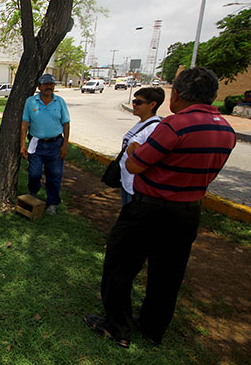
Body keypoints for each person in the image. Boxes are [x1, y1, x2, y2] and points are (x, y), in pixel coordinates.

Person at [84, 67, 237, 348]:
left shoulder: (174, 125)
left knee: (119, 267)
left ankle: (117, 328)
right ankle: (153, 330)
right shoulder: (226, 129)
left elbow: (135, 164)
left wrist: (132, 150)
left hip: (149, 209)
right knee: (168, 275)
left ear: (176, 94)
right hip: (188, 211)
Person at [20, 73, 70, 215]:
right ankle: (33, 194)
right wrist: (22, 145)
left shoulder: (59, 102)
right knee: (34, 172)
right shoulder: (31, 101)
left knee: (54, 174)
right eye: (46, 84)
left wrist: (65, 145)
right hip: (36, 144)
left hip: (55, 144)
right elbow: (24, 124)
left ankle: (53, 203)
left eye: (51, 84)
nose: (49, 87)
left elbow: (66, 124)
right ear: (39, 86)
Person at [118, 87, 165, 205]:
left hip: (135, 186)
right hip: (127, 180)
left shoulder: (153, 128)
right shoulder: (141, 123)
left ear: (152, 105)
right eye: (134, 102)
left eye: (138, 102)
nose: (134, 105)